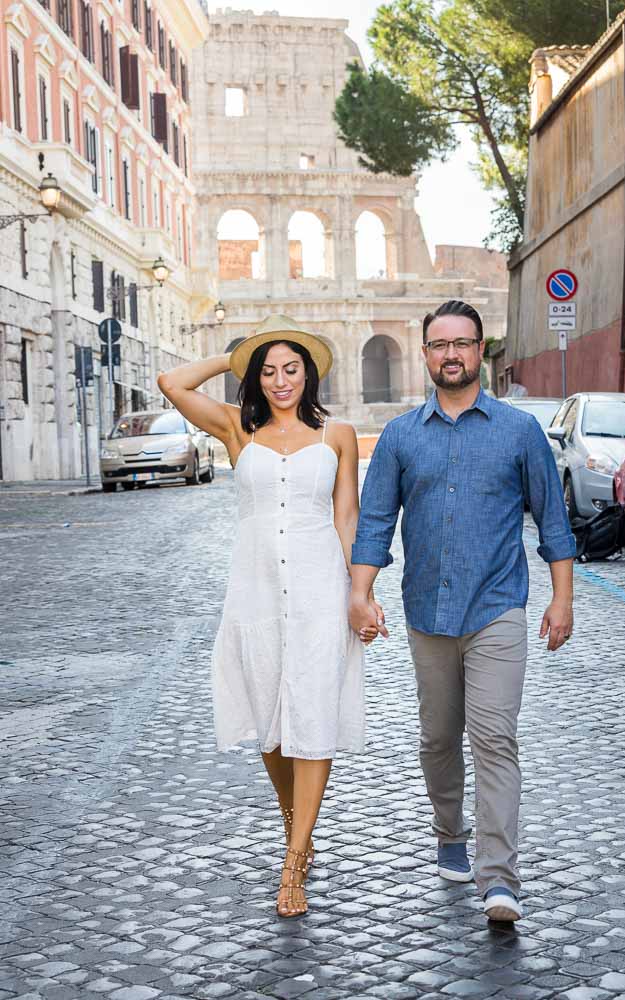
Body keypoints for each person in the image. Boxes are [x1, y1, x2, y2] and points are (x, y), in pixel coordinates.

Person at [349, 299, 576, 923]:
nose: (451, 354)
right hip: (427, 612)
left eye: (463, 343)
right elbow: (374, 523)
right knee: (438, 739)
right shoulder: (399, 437)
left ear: (481, 351)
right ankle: (449, 831)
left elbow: (552, 521)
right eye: (439, 344)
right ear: (425, 355)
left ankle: (499, 877)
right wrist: (360, 592)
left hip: (498, 607)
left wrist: (562, 598)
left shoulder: (519, 432)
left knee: (496, 737)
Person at [158, 314, 380, 918]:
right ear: (255, 378)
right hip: (254, 591)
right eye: (269, 371)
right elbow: (171, 381)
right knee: (270, 723)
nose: (281, 380)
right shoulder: (238, 428)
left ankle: (296, 858)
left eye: (291, 369)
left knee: (312, 714)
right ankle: (294, 822)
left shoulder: (338, 434)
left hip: (318, 591)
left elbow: (348, 519)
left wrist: (361, 593)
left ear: (310, 375)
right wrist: (236, 355)